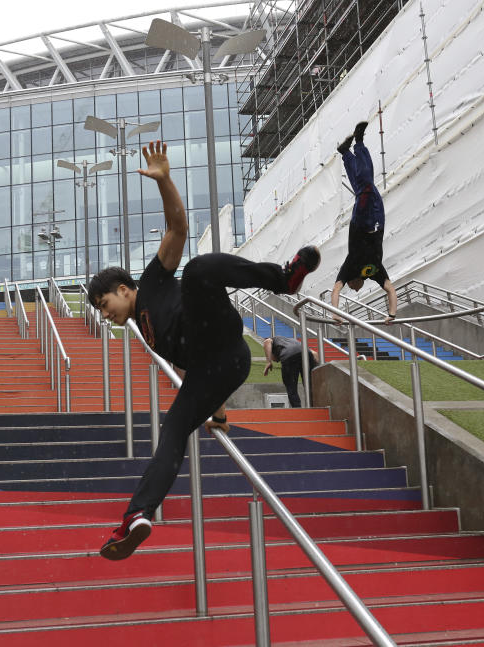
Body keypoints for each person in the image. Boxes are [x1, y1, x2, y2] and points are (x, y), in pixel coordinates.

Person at [87, 140, 321, 560]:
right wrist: (217, 411)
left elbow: (177, 228)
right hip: (221, 367)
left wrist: (164, 182)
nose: (106, 316)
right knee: (172, 431)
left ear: (123, 290)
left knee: (196, 270)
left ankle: (281, 279)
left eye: (106, 306)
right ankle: (138, 515)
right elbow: (190, 369)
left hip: (218, 329)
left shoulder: (153, 281)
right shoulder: (141, 329)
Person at [331, 121, 397, 324]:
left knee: (366, 184)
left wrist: (335, 314)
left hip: (361, 223)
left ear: (350, 281)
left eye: (351, 288)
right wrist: (392, 315)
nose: (355, 289)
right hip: (378, 221)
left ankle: (358, 143)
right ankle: (346, 153)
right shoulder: (374, 272)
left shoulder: (349, 268)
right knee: (364, 186)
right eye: (354, 289)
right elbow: (390, 289)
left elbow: (335, 291)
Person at [262, 336, 319, 408]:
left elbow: (267, 342)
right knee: (309, 384)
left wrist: (268, 361)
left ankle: (297, 410)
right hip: (307, 353)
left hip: (289, 356)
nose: (276, 361)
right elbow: (315, 354)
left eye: (273, 359)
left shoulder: (273, 340)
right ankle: (315, 408)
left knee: (291, 387)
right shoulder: (289, 341)